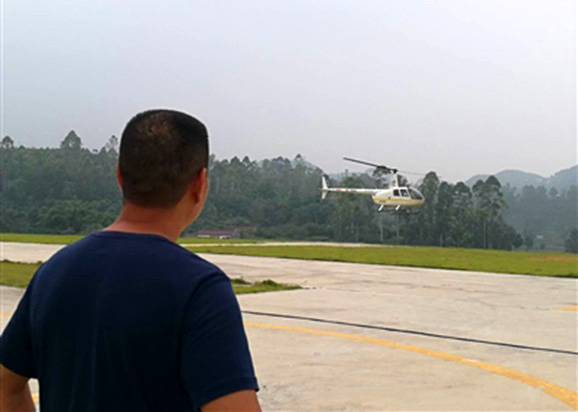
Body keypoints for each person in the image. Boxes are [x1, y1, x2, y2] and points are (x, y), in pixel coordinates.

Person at [0, 109, 261, 412]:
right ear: (199, 184)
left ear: (119, 177)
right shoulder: (199, 289)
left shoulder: (53, 272)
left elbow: (6, 386)